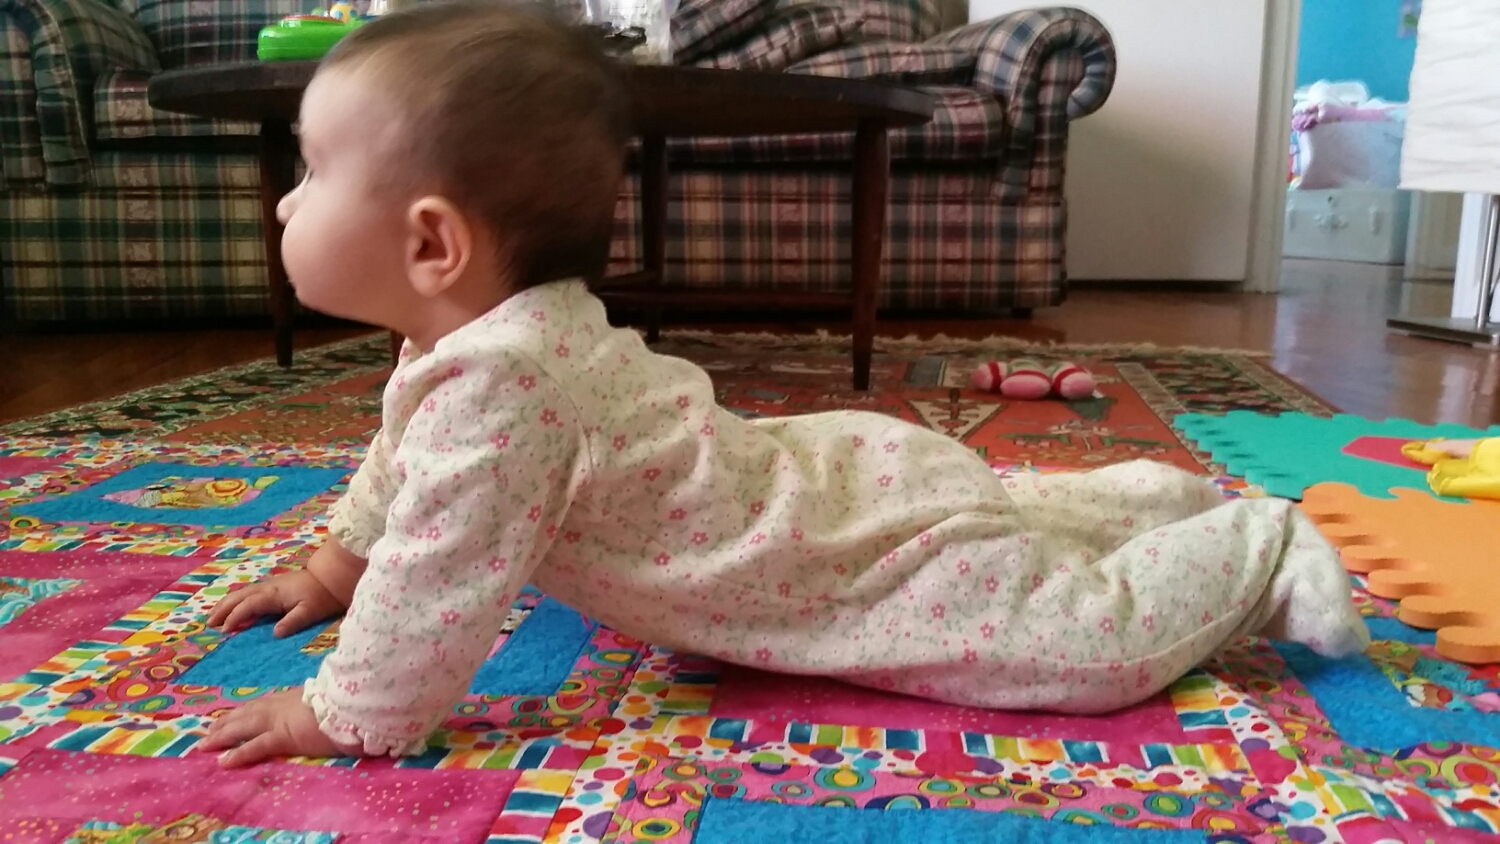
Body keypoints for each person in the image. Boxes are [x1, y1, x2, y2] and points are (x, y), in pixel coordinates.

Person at [198, 1, 1370, 768]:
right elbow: (401, 471)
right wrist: (334, 567)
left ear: (431, 242)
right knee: (998, 532)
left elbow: (437, 583)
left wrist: (339, 712)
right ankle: (1138, 500)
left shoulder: (499, 385)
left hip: (827, 556)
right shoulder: (472, 348)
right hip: (835, 485)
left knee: (1074, 652)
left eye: (312, 170)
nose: (288, 201)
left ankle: (1256, 545)